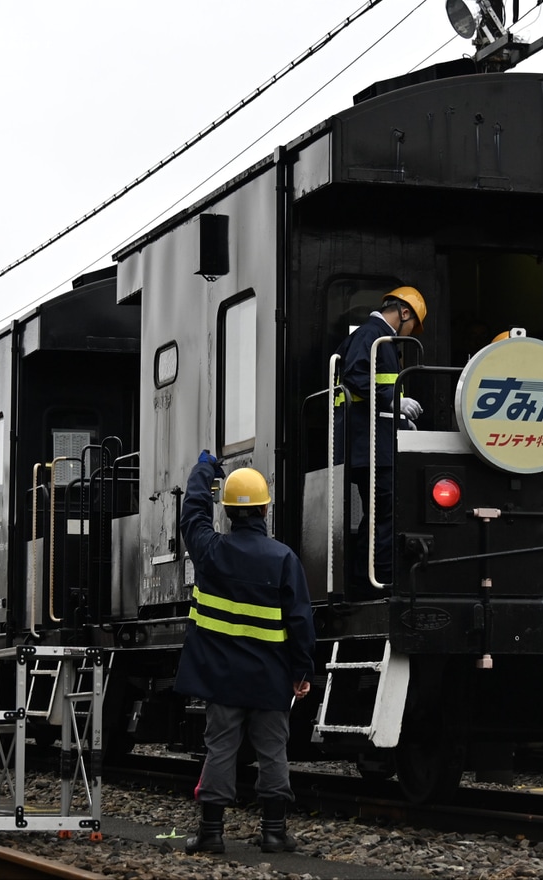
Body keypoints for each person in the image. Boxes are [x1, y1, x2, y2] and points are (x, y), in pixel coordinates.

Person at [175, 452, 316, 855]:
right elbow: (300, 622)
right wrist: (302, 671)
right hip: (270, 676)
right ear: (265, 509)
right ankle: (273, 832)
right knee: (273, 750)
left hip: (221, 678)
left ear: (227, 511)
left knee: (220, 747)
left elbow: (192, 515)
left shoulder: (210, 550)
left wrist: (204, 471)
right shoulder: (283, 558)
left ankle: (211, 833)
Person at [333, 285, 428, 586]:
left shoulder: (377, 339)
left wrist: (400, 420)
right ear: (404, 313)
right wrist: (394, 401)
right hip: (371, 444)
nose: (410, 333)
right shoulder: (372, 336)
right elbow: (356, 376)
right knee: (385, 514)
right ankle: (378, 581)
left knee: (380, 514)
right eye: (413, 325)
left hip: (374, 441)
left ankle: (370, 579)